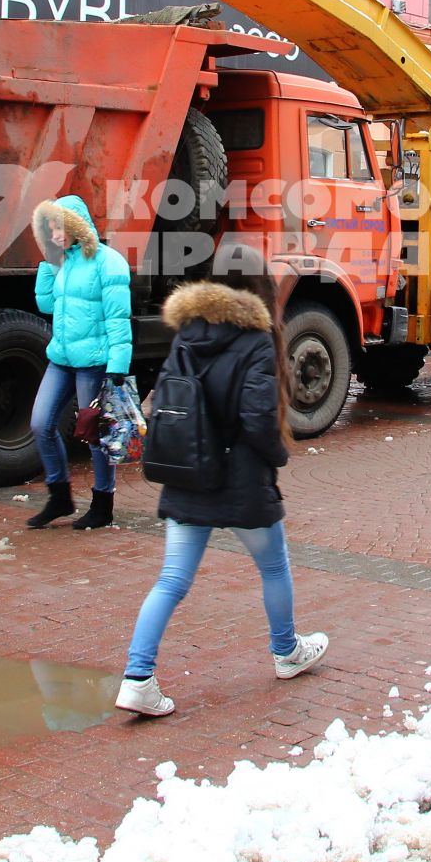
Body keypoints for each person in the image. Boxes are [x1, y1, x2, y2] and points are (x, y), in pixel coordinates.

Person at [114, 248, 328, 717]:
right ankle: (287, 651)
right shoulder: (255, 341)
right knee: (273, 567)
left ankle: (137, 678)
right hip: (241, 480)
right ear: (259, 288)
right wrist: (278, 456)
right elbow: (256, 418)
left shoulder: (187, 335)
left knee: (171, 579)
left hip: (188, 474)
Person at [26, 195, 133, 530]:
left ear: (76, 224)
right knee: (40, 424)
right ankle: (60, 496)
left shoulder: (108, 262)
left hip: (94, 363)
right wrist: (48, 261)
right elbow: (46, 304)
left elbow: (118, 318)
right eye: (51, 228)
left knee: (94, 434)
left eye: (60, 227)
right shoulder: (63, 261)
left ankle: (103, 504)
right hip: (61, 358)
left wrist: (118, 364)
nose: (56, 234)